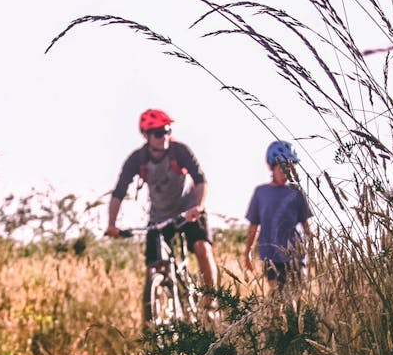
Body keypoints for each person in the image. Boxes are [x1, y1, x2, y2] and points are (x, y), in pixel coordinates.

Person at [105, 109, 218, 320]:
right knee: (153, 266)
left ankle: (212, 301)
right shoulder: (137, 159)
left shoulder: (179, 151)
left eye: (167, 130)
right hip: (159, 216)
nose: (164, 136)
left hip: (189, 210)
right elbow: (119, 191)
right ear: (146, 136)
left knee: (202, 248)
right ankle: (155, 317)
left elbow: (201, 179)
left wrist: (199, 207)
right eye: (158, 133)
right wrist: (111, 224)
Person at [242, 140, 313, 291]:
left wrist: (313, 251)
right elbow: (254, 226)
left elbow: (306, 225)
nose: (285, 172)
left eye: (289, 168)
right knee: (277, 296)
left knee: (295, 297)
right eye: (282, 168)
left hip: (295, 255)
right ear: (271, 167)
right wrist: (247, 252)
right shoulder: (261, 193)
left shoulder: (296, 193)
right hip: (270, 256)